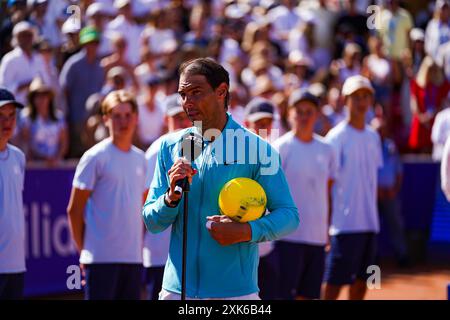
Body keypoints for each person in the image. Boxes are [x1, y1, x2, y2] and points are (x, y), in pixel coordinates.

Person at [142, 58, 299, 300]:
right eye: (183, 94)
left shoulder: (258, 149)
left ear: (221, 92)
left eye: (196, 93)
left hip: (235, 294)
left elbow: (289, 215)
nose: (187, 102)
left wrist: (246, 231)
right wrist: (170, 198)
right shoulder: (170, 145)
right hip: (176, 291)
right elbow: (152, 222)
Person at [67, 90, 148, 300]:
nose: (123, 121)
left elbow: (144, 209)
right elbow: (74, 210)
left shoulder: (142, 160)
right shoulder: (95, 157)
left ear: (136, 118)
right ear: (105, 119)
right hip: (100, 260)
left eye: (128, 115)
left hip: (133, 260)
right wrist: (85, 252)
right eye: (116, 115)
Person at [324, 75, 383, 300]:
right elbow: (327, 186)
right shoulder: (335, 138)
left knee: (364, 283)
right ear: (345, 100)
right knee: (333, 285)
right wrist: (327, 225)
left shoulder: (373, 136)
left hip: (370, 226)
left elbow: (371, 182)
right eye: (356, 96)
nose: (362, 101)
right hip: (343, 227)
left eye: (366, 96)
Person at [273, 89, 336, 300]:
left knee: (310, 295)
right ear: (290, 114)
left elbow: (328, 189)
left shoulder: (327, 149)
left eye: (309, 111)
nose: (304, 117)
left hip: (317, 236)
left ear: (317, 114)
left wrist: (327, 227)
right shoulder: (280, 147)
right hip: (288, 236)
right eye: (299, 111)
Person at [143, 94, 191, 300]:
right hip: (159, 253)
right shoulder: (157, 150)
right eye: (176, 117)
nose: (182, 122)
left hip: (182, 254)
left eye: (185, 116)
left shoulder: (193, 147)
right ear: (165, 120)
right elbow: (145, 201)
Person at [243, 97, 280, 300]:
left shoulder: (274, 155)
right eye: (259, 124)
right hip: (242, 247)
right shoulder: (234, 157)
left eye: (268, 123)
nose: (264, 128)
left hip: (269, 247)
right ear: (247, 124)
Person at [59, 26, 105, 158]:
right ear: (83, 44)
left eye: (95, 43)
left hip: (93, 120)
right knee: (77, 154)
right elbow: (64, 89)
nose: (92, 46)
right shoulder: (73, 64)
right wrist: (68, 114)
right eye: (89, 43)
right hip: (76, 118)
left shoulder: (99, 67)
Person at [371, 116, 409, 267]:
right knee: (371, 227)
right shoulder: (366, 146)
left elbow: (398, 170)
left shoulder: (391, 146)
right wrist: (374, 190)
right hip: (372, 195)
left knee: (396, 224)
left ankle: (402, 255)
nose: (380, 133)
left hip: (391, 194)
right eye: (377, 130)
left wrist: (395, 188)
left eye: (382, 129)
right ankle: (372, 259)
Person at [0, 88, 26, 299]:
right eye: (0, 116)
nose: (6, 122)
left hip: (16, 264)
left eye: (11, 116)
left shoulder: (18, 157)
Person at [19, 77, 68, 166]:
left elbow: (64, 142)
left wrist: (57, 159)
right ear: (32, 99)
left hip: (55, 165)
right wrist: (42, 160)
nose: (42, 99)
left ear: (49, 98)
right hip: (35, 165)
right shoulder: (25, 117)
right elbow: (25, 143)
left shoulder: (59, 117)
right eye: (38, 95)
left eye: (44, 95)